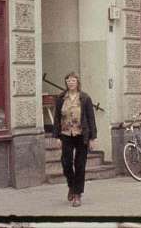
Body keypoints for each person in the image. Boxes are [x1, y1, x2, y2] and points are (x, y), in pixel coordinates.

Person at [53, 72, 97, 207]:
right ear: (66, 83)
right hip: (66, 134)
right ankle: (71, 185)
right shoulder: (61, 98)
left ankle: (77, 194)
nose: (70, 83)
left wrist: (93, 138)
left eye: (73, 80)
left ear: (77, 82)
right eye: (68, 81)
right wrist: (56, 136)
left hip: (81, 135)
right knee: (66, 162)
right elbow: (56, 119)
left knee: (80, 165)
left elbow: (91, 119)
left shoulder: (85, 98)